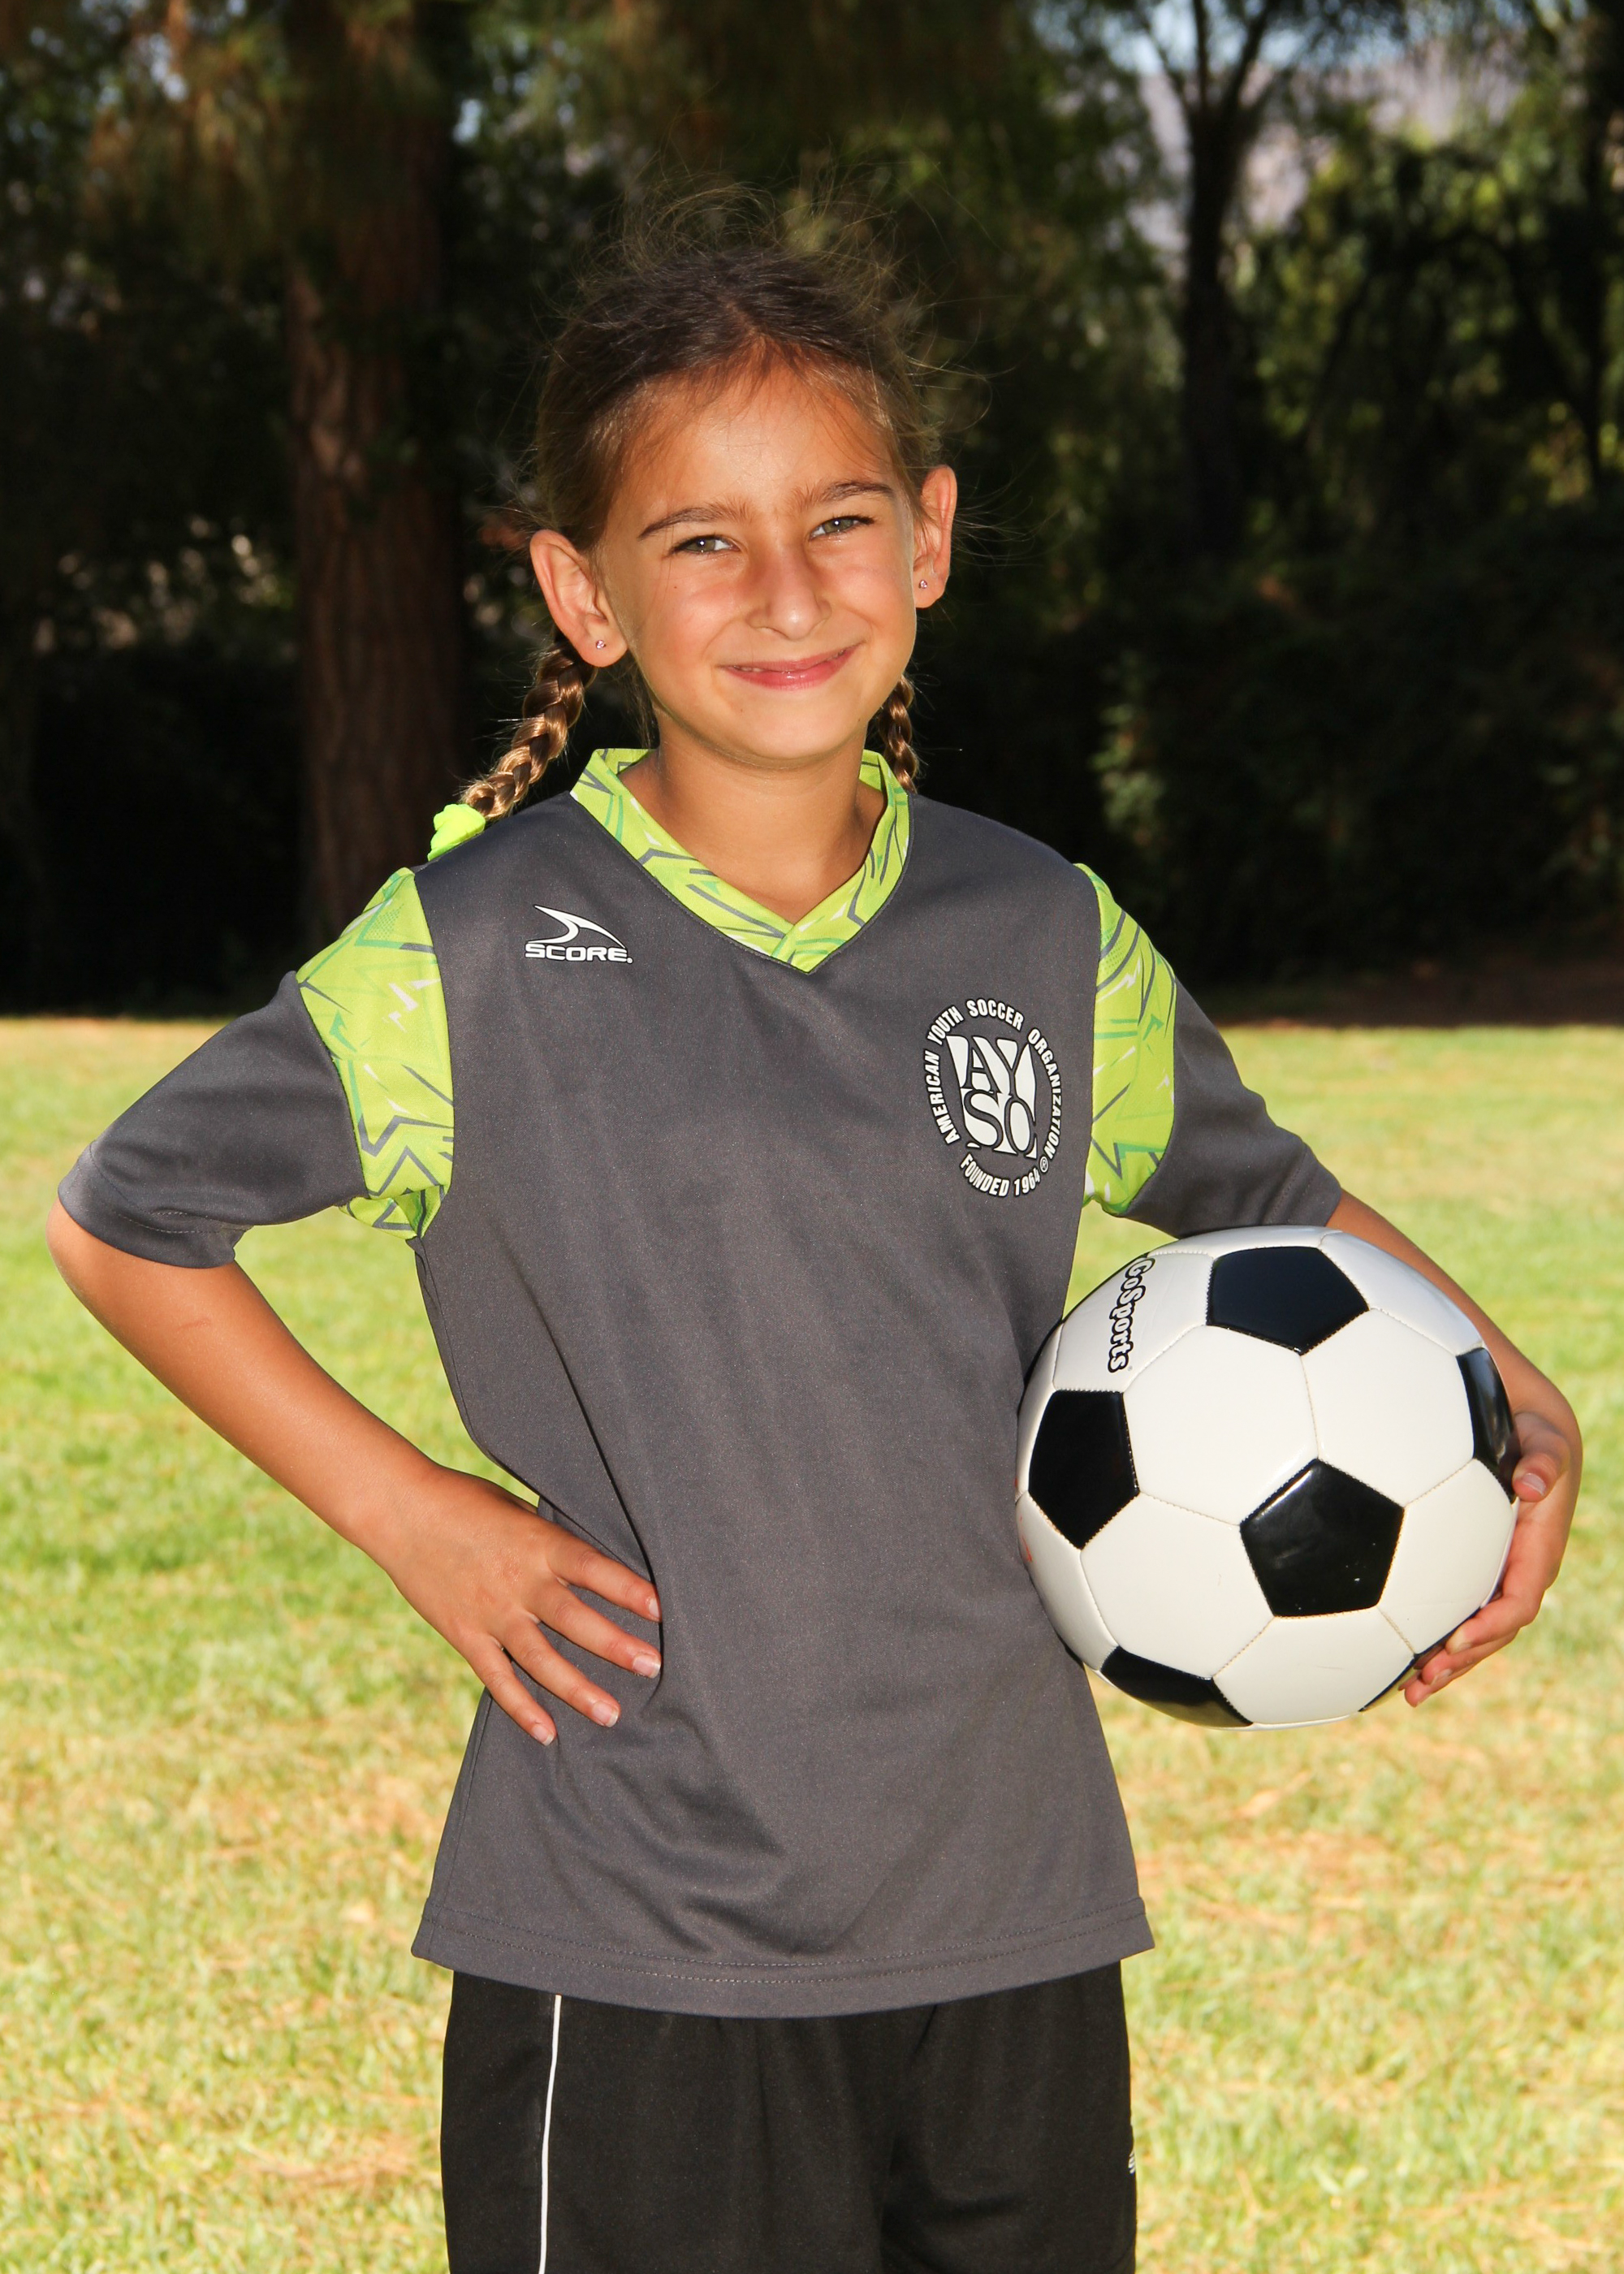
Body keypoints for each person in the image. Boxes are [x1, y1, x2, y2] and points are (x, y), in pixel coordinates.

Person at [48, 204, 1581, 2274]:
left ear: (928, 537)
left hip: (1011, 1915)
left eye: (840, 520)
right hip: (639, 1925)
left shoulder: (1040, 927)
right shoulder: (471, 952)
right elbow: (127, 1219)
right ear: (583, 591)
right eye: (702, 539)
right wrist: (421, 1518)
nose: (786, 590)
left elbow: (1267, 1199)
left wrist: (1514, 1393)